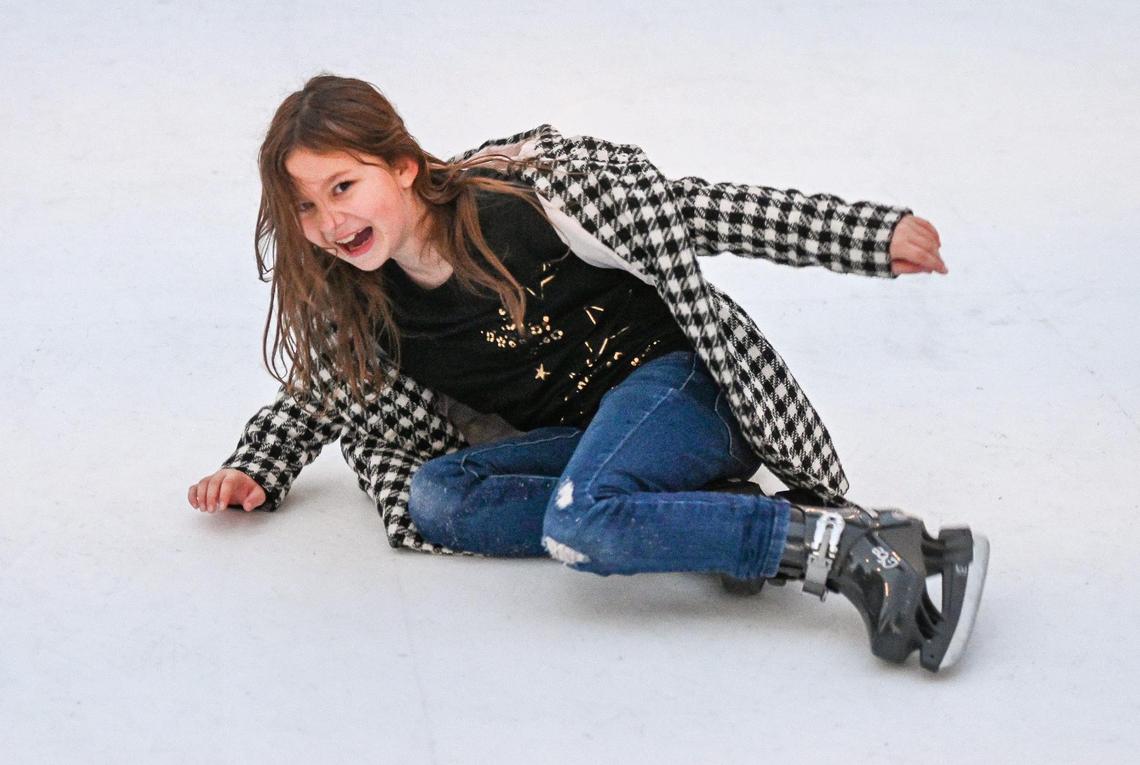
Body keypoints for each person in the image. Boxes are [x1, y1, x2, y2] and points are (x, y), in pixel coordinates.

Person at [187, 74, 988, 672]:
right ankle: (693, 515)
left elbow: (702, 208)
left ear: (400, 165)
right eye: (306, 208)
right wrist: (256, 466)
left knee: (581, 522)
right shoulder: (363, 306)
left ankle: (848, 544)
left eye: (343, 187)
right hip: (586, 441)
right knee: (436, 497)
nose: (331, 222)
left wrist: (865, 234)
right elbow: (320, 388)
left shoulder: (524, 205)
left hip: (680, 390)